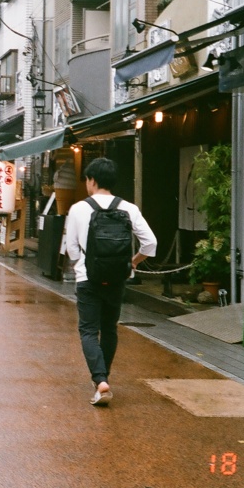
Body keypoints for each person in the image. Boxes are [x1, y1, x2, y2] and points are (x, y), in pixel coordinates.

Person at [64, 158, 156, 407]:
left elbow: (71, 248)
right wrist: (133, 263)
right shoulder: (129, 208)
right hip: (117, 277)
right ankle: (103, 379)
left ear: (92, 181)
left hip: (88, 278)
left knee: (88, 330)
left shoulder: (78, 209)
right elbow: (151, 244)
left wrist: (80, 265)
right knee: (110, 328)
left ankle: (100, 380)